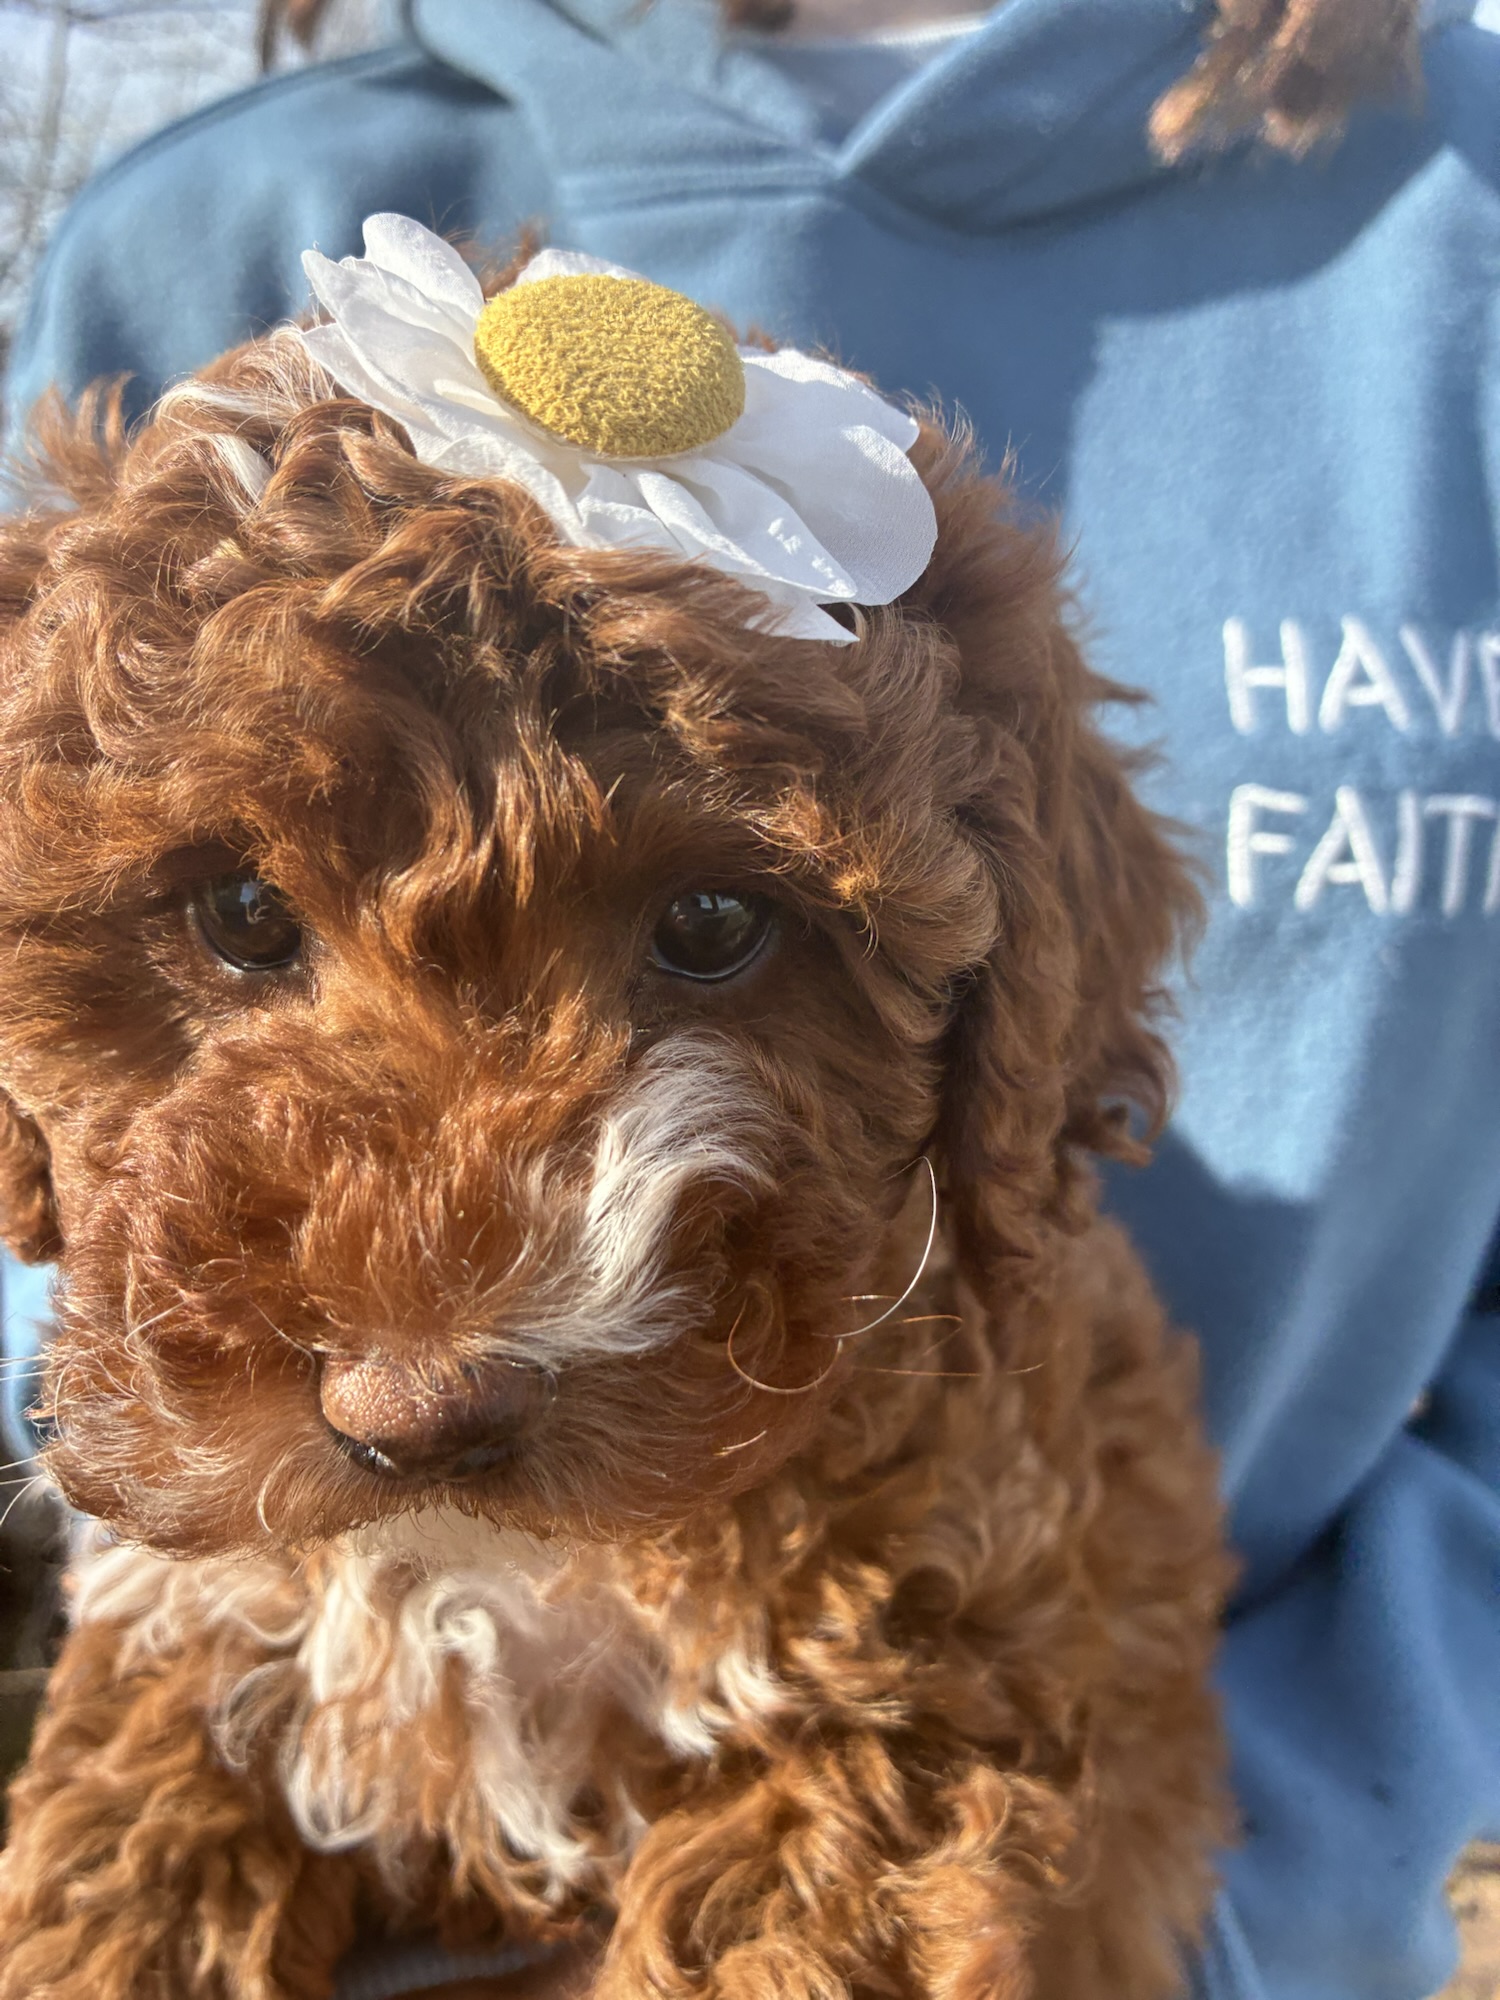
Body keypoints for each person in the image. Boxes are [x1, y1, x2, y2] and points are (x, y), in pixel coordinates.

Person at [4, 1, 1499, 1995]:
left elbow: (954, 1741)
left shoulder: (1460, 220)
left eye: (709, 932)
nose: (432, 1349)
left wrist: (1257, 1897)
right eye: (247, 924)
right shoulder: (190, 226)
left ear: (1012, 1012)